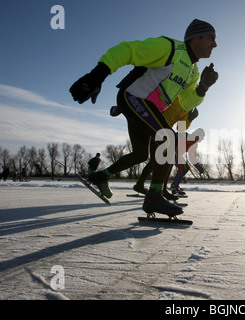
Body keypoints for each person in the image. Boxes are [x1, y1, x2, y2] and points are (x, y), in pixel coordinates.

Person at [69, 19, 218, 216]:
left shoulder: (192, 70)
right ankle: (153, 197)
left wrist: (202, 87)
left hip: (147, 108)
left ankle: (101, 176)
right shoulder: (170, 48)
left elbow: (186, 102)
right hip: (133, 97)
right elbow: (127, 50)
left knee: (141, 155)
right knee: (168, 138)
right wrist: (96, 76)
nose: (215, 45)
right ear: (196, 37)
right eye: (211, 38)